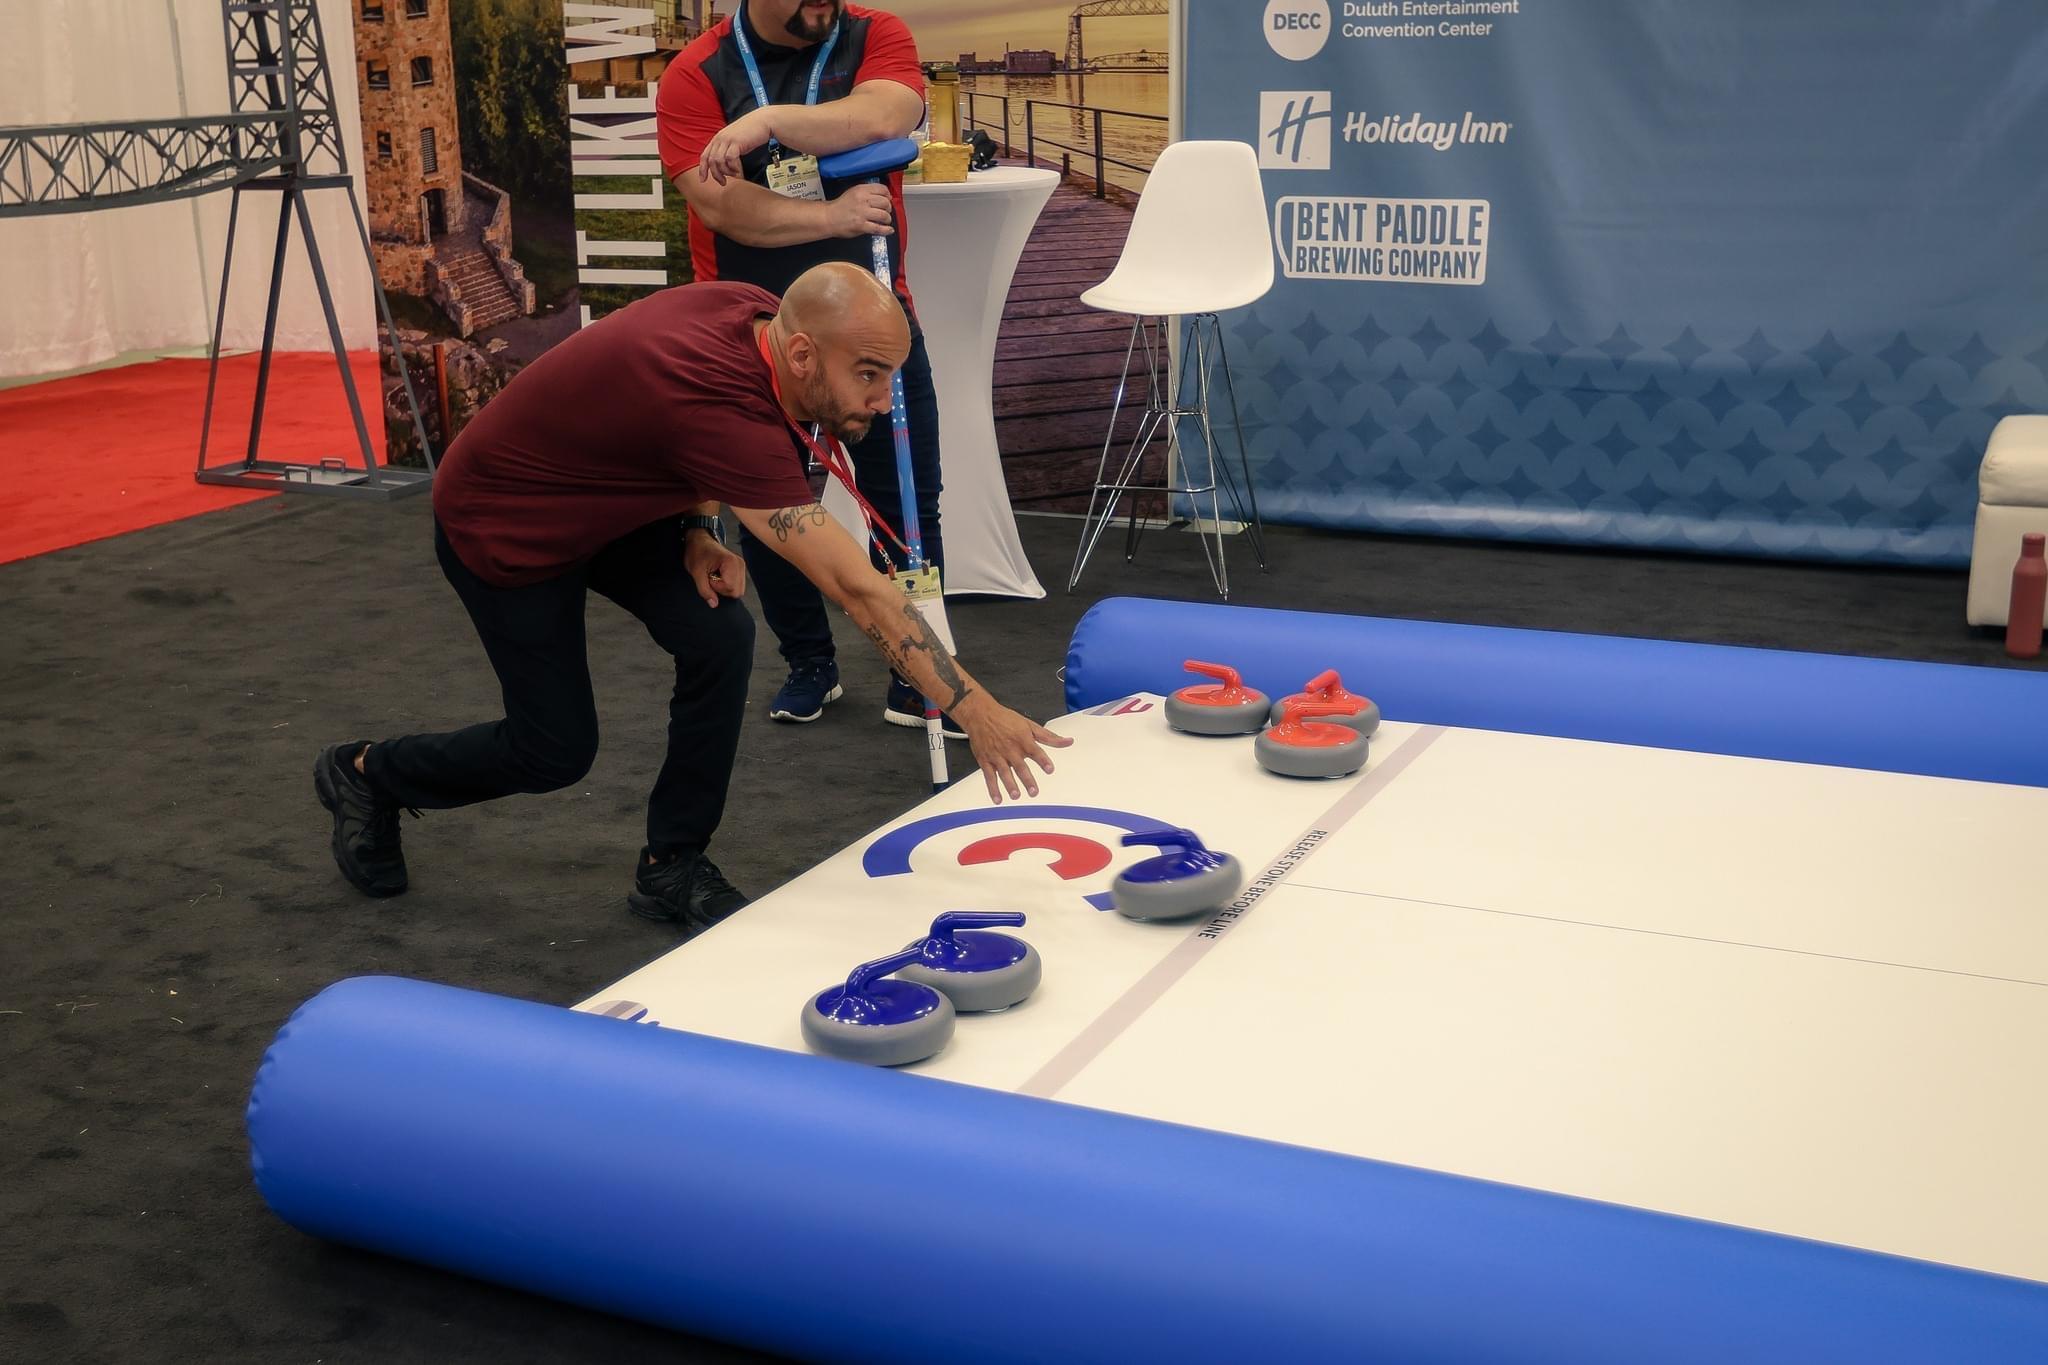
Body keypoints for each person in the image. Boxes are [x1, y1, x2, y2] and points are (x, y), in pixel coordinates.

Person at [314, 263, 1069, 931]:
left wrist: (702, 525)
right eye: (868, 374)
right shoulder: (720, 405)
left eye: (890, 375)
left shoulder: (759, 316)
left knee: (720, 637)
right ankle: (368, 772)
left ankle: (670, 864)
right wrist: (976, 711)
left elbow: (677, 432)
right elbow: (855, 587)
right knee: (554, 751)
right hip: (508, 518)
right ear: (803, 354)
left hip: (617, 502)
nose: (882, 399)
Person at [657, 0, 959, 734]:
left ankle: (917, 674)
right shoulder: (695, 73)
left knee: (908, 502)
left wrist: (767, 123)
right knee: (773, 508)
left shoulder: (873, 32)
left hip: (872, 324)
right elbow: (720, 205)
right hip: (755, 337)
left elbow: (887, 115)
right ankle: (809, 663)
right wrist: (831, 217)